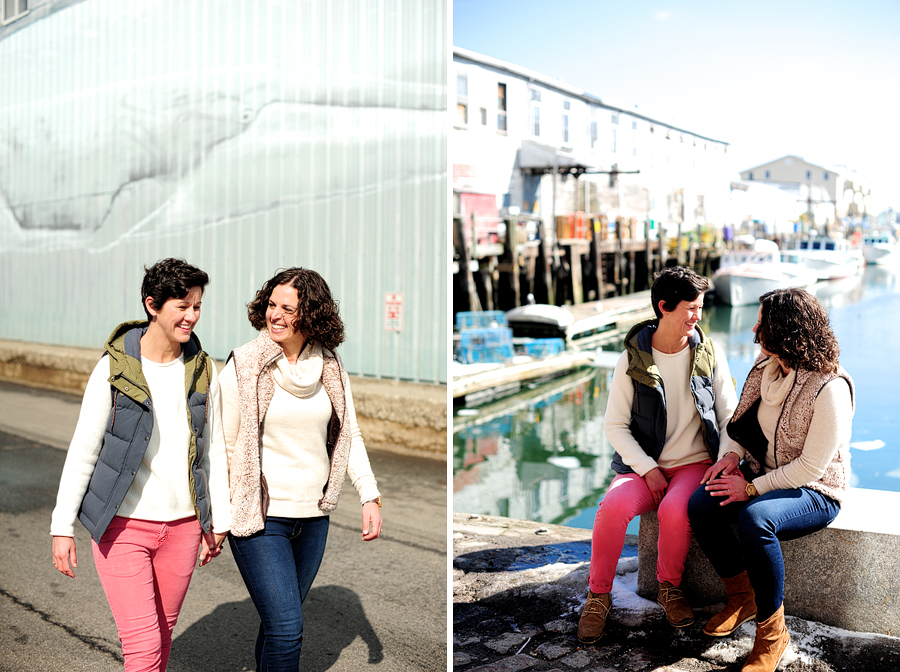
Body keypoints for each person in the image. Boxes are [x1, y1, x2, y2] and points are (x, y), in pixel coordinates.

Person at [50, 258, 231, 672]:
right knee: (144, 647)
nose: (192, 316)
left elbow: (215, 448)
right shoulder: (113, 370)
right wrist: (62, 526)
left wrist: (216, 518)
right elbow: (84, 449)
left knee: (162, 637)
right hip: (123, 527)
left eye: (197, 306)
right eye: (182, 306)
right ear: (153, 305)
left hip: (183, 527)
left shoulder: (203, 369)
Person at [220, 267, 383, 671]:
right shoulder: (245, 365)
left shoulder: (329, 365)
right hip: (261, 518)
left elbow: (350, 433)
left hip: (313, 519)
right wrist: (218, 516)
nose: (274, 315)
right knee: (288, 628)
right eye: (271, 305)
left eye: (287, 309)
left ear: (309, 315)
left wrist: (369, 493)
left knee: (277, 625)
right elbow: (222, 446)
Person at [688, 288, 854, 672]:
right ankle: (741, 596)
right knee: (701, 504)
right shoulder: (765, 367)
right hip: (762, 473)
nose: (753, 329)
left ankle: (772, 634)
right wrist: (731, 457)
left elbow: (811, 467)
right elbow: (738, 423)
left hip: (815, 489)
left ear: (784, 330)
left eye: (761, 323)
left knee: (756, 519)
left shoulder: (830, 388)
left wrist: (749, 489)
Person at [578, 266, 738, 643]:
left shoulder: (709, 354)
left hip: (693, 465)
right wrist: (648, 469)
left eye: (700, 307)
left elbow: (729, 416)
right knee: (612, 508)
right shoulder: (631, 361)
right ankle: (598, 595)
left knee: (674, 510)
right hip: (642, 466)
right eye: (691, 308)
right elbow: (614, 426)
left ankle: (670, 588)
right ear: (664, 307)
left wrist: (726, 457)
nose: (698, 316)